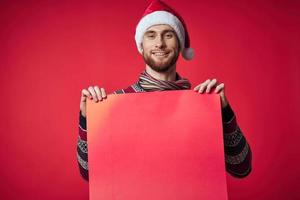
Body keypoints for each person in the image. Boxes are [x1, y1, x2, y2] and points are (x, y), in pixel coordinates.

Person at [77, 0, 252, 181]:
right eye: (151, 35)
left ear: (179, 43)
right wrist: (87, 119)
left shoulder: (201, 105)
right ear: (141, 45)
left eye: (168, 35)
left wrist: (223, 112)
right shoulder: (115, 103)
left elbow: (242, 167)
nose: (159, 43)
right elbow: (89, 173)